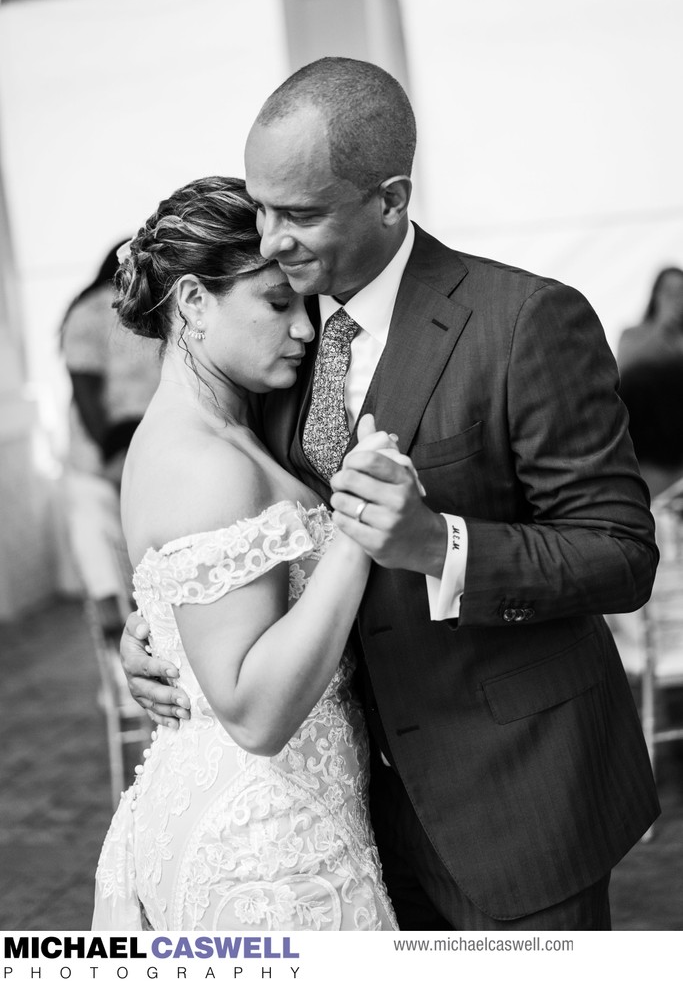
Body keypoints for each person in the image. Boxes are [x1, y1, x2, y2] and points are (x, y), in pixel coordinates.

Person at [121, 58, 660, 930]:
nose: (268, 240)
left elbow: (620, 552)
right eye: (260, 207)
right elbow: (232, 533)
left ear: (390, 199)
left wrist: (440, 545)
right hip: (341, 818)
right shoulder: (270, 342)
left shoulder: (523, 321)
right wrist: (160, 625)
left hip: (511, 795)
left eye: (298, 214)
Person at [92, 175, 398, 931]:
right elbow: (256, 714)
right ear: (193, 303)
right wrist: (360, 532)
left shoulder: (230, 431)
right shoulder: (204, 462)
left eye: (308, 303)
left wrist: (152, 634)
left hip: (282, 805)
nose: (305, 329)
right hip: (264, 846)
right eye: (276, 303)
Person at [61, 243, 161, 627]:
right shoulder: (90, 313)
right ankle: (120, 672)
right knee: (109, 580)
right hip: (102, 468)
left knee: (138, 579)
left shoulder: (152, 307)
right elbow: (86, 394)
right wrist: (117, 459)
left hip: (143, 459)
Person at [617, 265, 683, 498]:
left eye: (681, 292)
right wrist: (661, 327)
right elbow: (626, 371)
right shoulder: (632, 335)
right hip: (645, 448)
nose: (676, 299)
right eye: (669, 292)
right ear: (655, 295)